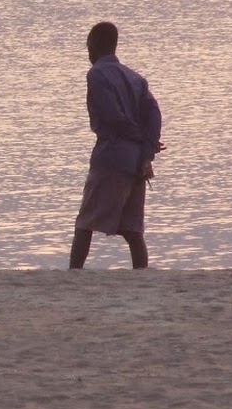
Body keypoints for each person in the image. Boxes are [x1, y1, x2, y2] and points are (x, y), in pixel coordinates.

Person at [70, 22, 164, 270]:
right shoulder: (136, 78)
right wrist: (147, 147)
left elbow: (113, 116)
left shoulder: (97, 75)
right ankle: (141, 275)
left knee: (85, 223)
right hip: (135, 161)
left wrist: (141, 139)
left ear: (96, 44)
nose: (87, 52)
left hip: (111, 156)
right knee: (132, 229)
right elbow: (154, 114)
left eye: (88, 45)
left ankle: (73, 275)